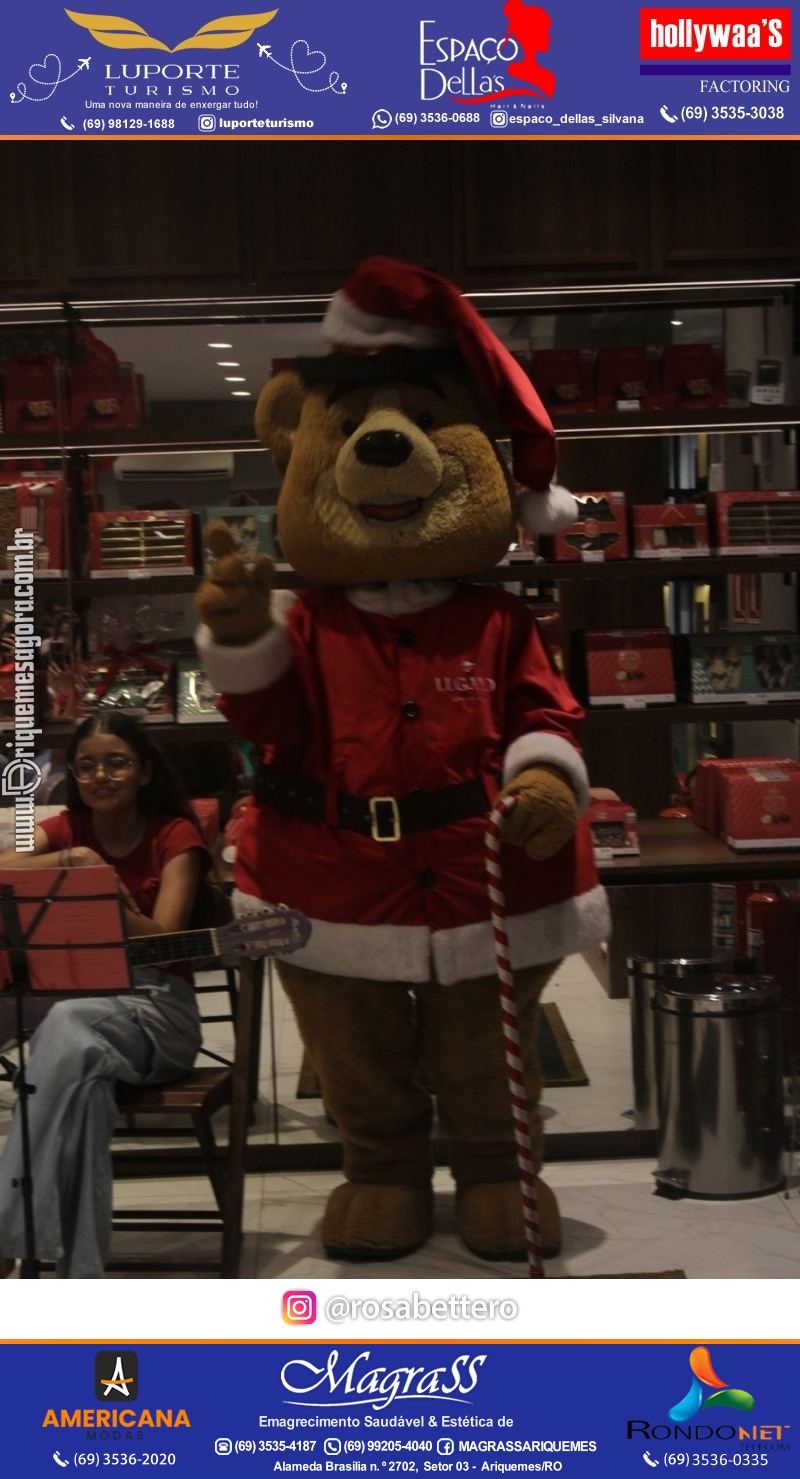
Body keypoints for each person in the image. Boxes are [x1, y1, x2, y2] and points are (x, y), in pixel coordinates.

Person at [0, 713, 210, 1278]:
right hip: (78, 1011)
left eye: (117, 762)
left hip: (158, 1011)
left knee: (63, 1025)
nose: (101, 776)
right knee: (83, 1086)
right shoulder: (67, 829)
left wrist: (110, 904)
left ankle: (7, 1238)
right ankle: (78, 1276)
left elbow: (168, 939)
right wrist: (68, 863)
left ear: (143, 771)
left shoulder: (175, 836)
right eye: (87, 765)